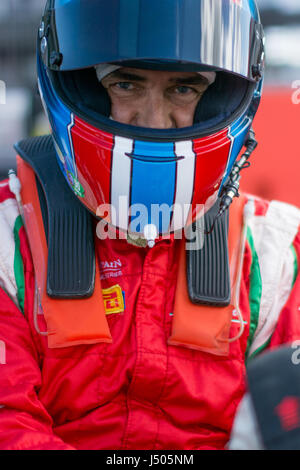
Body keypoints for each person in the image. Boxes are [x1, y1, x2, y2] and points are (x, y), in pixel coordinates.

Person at [0, 0, 299, 451]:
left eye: (183, 89)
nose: (152, 119)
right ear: (82, 86)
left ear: (221, 96)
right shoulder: (9, 235)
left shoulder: (274, 252)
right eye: (125, 84)